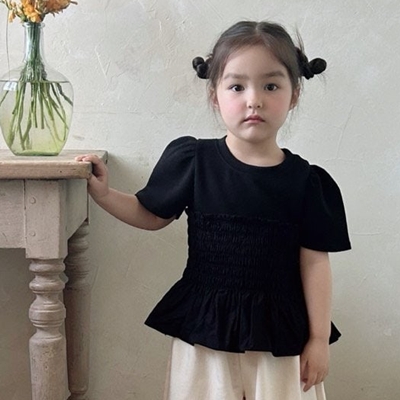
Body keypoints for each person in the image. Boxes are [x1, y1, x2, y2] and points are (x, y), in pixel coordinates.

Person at [76, 20, 351, 400]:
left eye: (271, 86)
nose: (254, 100)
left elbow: (315, 262)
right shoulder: (194, 161)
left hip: (280, 333)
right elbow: (151, 213)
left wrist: (318, 339)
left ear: (294, 95)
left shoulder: (307, 182)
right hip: (206, 328)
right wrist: (106, 195)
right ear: (214, 95)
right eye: (237, 86)